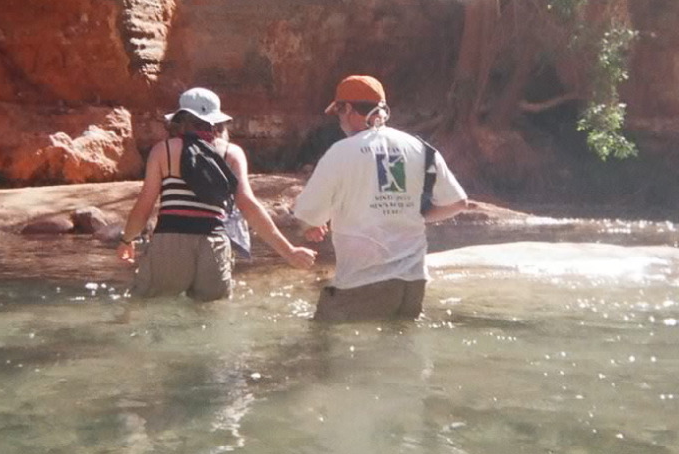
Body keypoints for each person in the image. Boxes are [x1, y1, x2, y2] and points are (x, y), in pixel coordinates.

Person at [293, 75, 469, 322]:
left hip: (362, 283)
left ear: (349, 109)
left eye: (339, 112)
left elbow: (306, 215)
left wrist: (311, 225)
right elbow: (457, 203)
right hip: (414, 283)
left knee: (323, 349)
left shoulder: (341, 152)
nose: (339, 120)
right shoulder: (420, 148)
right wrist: (415, 217)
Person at [117, 87, 316, 300]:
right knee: (211, 318)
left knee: (148, 308)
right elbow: (249, 206)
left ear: (181, 118)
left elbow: (143, 207)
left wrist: (127, 240)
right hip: (213, 245)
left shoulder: (163, 151)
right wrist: (289, 252)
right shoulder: (232, 153)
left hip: (170, 243)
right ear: (217, 120)